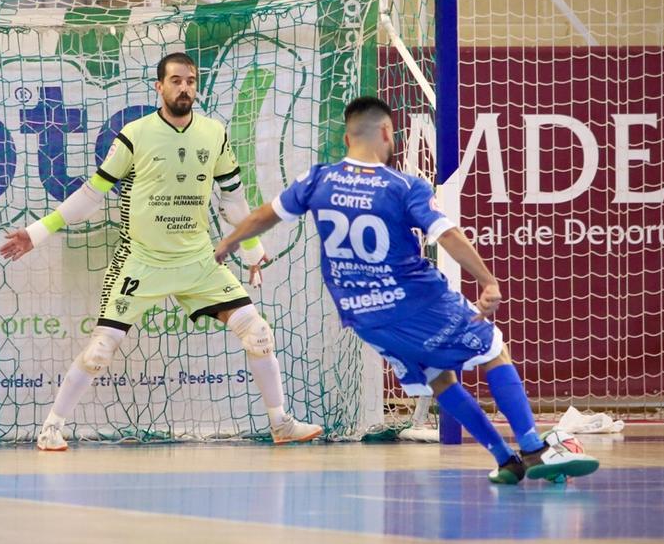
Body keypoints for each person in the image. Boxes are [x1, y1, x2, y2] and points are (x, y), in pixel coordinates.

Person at [215, 96, 599, 484]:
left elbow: (267, 213)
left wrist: (230, 242)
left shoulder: (319, 179)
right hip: (417, 301)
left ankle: (505, 459)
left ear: (347, 138)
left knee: (439, 377)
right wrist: (487, 280)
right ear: (386, 132)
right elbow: (446, 233)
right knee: (493, 349)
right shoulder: (401, 186)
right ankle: (533, 448)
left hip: (364, 317)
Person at [0, 52, 323, 451]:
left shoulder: (214, 134)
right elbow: (90, 196)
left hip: (199, 261)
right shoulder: (134, 135)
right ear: (159, 87)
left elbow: (233, 201)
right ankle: (52, 426)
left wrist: (253, 252)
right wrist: (36, 233)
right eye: (175, 80)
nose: (184, 87)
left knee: (257, 332)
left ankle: (281, 423)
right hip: (142, 261)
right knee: (100, 350)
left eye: (190, 80)